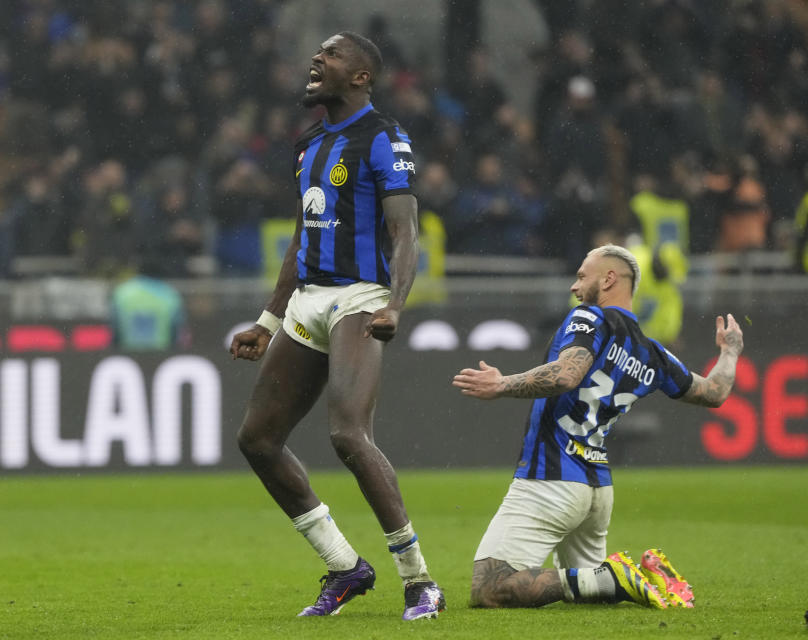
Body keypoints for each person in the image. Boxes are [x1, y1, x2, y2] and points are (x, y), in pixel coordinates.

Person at [229, 32, 445, 620]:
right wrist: (269, 321)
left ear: (361, 77)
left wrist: (394, 304)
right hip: (307, 302)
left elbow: (405, 233)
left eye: (331, 54)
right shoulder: (308, 145)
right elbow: (302, 236)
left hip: (358, 298)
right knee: (257, 440)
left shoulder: (384, 138)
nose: (315, 60)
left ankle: (419, 581)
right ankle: (346, 567)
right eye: (316, 53)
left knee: (348, 435)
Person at [452, 244, 744, 610]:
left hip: (552, 478)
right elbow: (714, 392)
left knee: (491, 587)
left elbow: (567, 375)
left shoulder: (589, 318)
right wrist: (730, 351)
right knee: (591, 594)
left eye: (581, 276)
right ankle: (623, 579)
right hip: (596, 489)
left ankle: (613, 577)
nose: (574, 287)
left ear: (608, 279)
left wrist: (502, 384)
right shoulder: (651, 352)